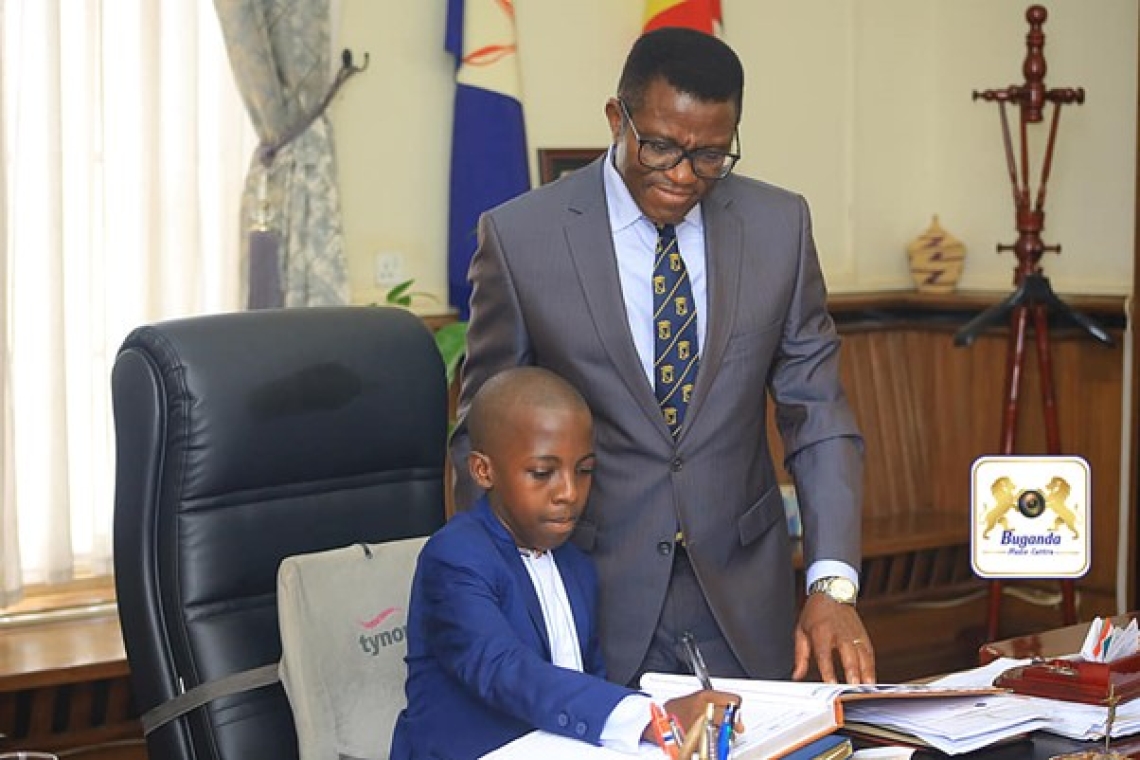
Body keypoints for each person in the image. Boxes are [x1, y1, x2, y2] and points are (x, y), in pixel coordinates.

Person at [450, 27, 876, 688]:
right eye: (661, 147)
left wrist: (832, 584)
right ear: (617, 119)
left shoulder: (779, 226)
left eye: (710, 156)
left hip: (744, 598)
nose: (682, 175)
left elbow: (817, 414)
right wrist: (485, 598)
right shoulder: (520, 238)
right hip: (590, 592)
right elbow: (481, 433)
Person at [391, 367, 738, 760]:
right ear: (483, 471)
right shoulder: (455, 558)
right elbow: (506, 671)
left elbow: (585, 682)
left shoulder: (574, 562)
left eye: (585, 470)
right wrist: (648, 717)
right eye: (542, 473)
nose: (569, 493)